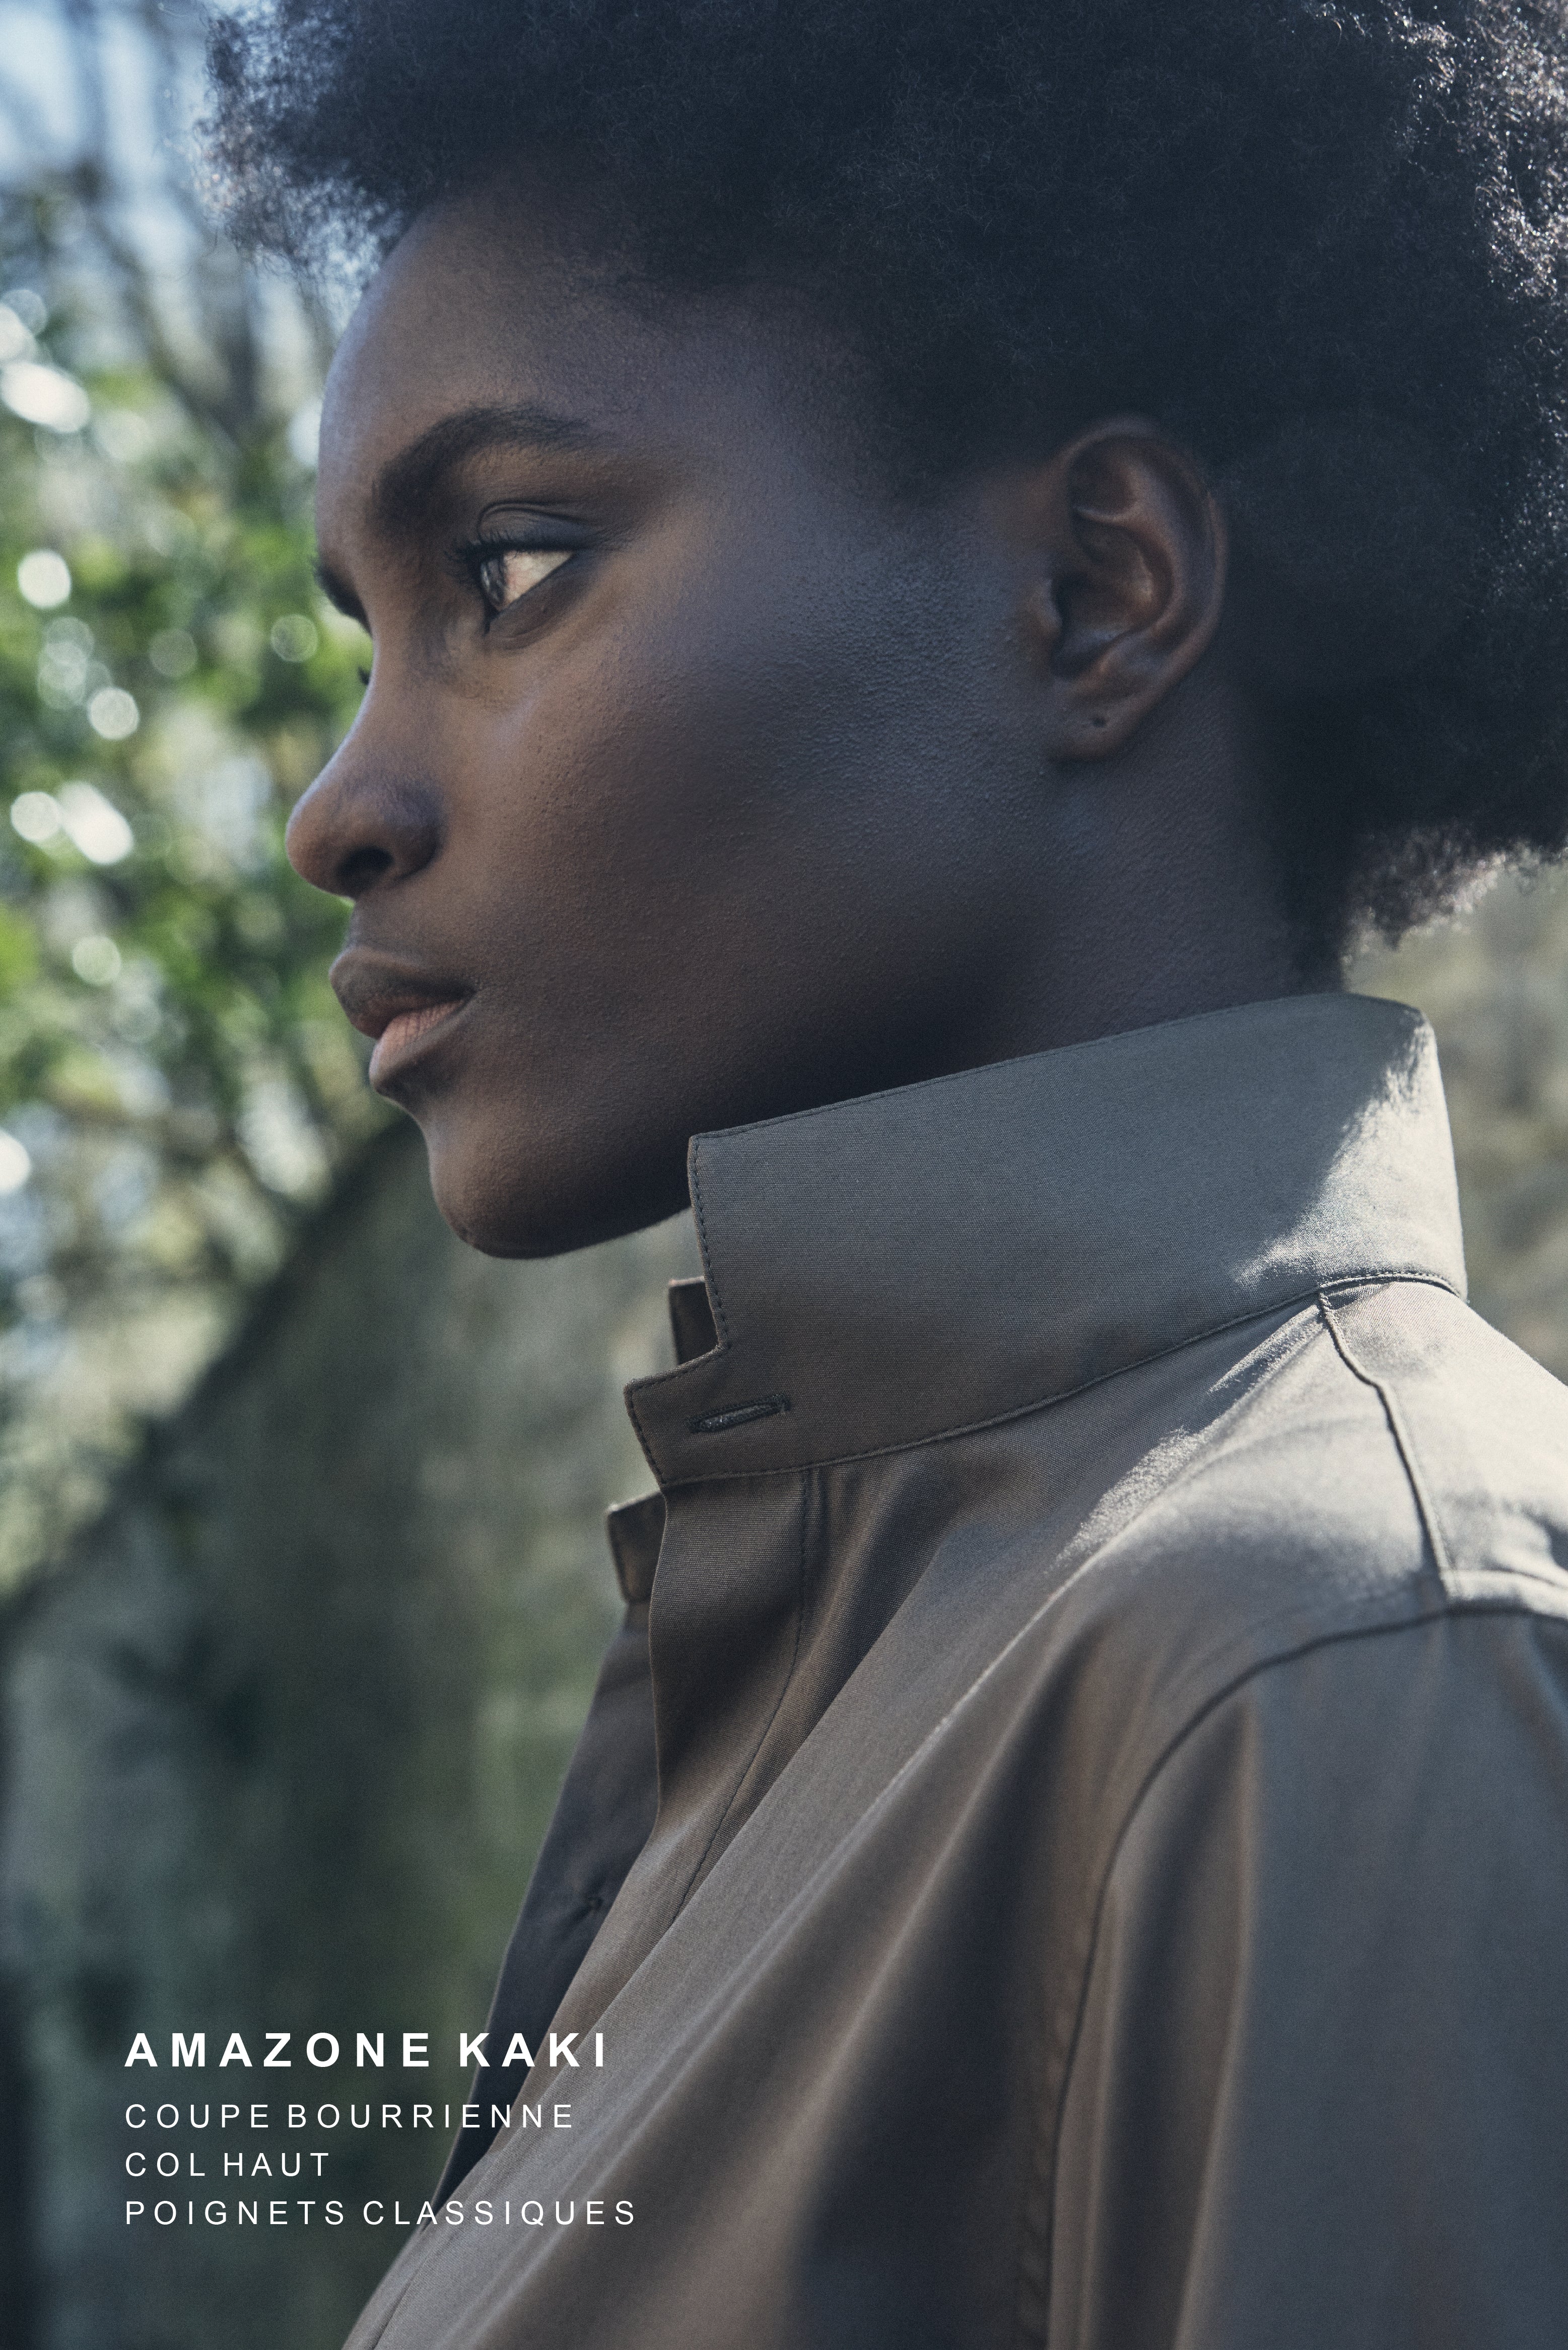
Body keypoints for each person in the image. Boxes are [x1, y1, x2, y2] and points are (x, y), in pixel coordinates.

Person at [209, 3, 1568, 2343]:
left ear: (1094, 593)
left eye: (507, 569)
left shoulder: (1335, 1656)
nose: (337, 807)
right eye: (364, 637)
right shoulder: (861, 1620)